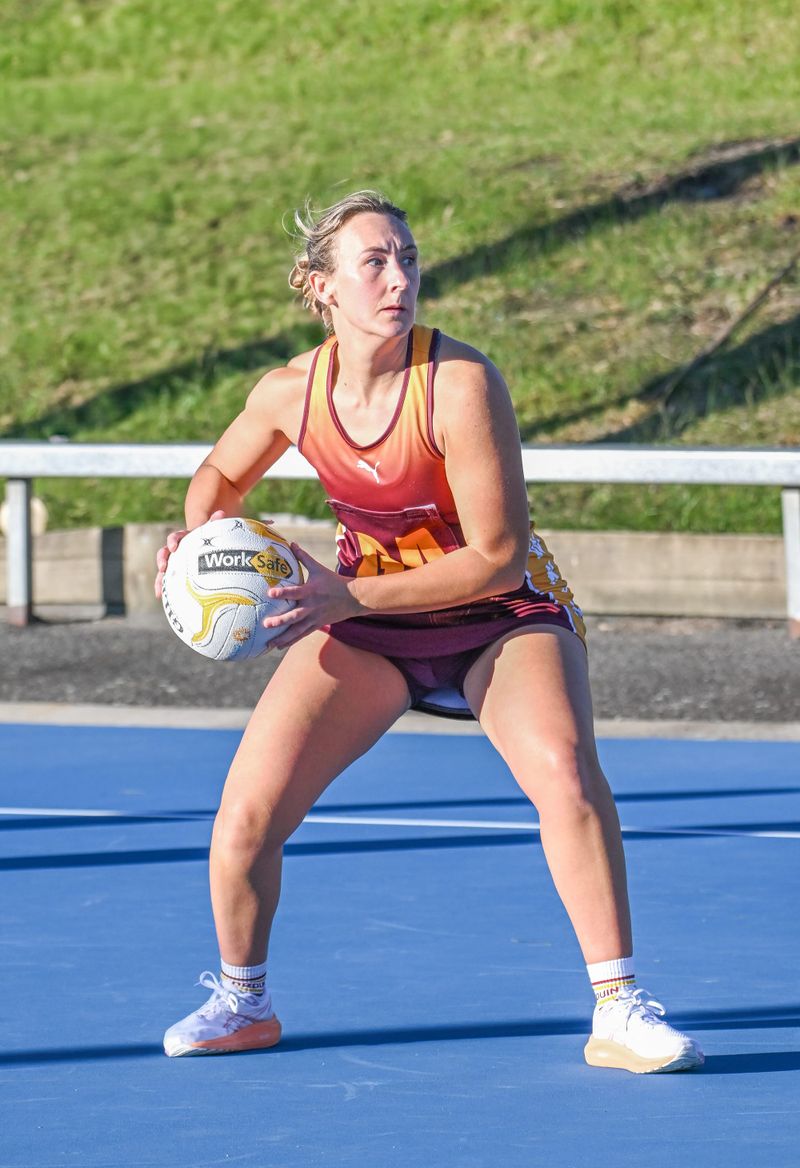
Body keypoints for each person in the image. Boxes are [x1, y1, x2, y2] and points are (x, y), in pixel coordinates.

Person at [156, 190, 703, 1073]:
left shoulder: (459, 383)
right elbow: (220, 475)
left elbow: (496, 553)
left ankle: (620, 1007)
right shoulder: (290, 393)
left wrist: (346, 601)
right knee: (245, 816)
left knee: (565, 774)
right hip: (368, 618)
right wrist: (199, 543)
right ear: (320, 286)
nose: (399, 277)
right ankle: (242, 1001)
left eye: (407, 257)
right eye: (374, 261)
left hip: (497, 617)